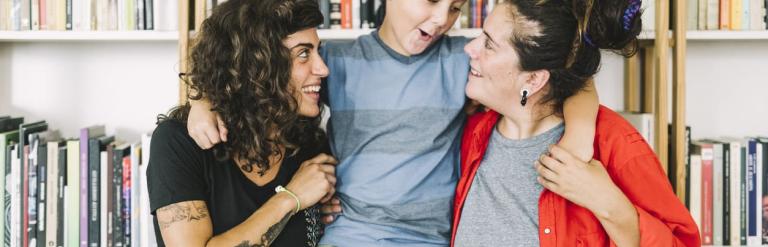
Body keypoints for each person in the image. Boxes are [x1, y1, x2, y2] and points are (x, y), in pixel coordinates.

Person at [186, 0, 600, 245]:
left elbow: (568, 79)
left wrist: (579, 139)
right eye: (431, 1)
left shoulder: (464, 62)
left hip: (430, 239)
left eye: (455, 7)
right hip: (352, 234)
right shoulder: (336, 64)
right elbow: (253, 78)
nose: (441, 18)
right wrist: (202, 102)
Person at [452, 0, 701, 246]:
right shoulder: (472, 131)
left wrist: (609, 204)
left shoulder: (612, 143)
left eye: (489, 45)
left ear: (534, 80)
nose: (470, 48)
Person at [146, 0, 337, 246]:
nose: (323, 69)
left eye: (317, 51)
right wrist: (291, 198)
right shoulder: (180, 142)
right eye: (303, 53)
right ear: (257, 65)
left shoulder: (310, 145)